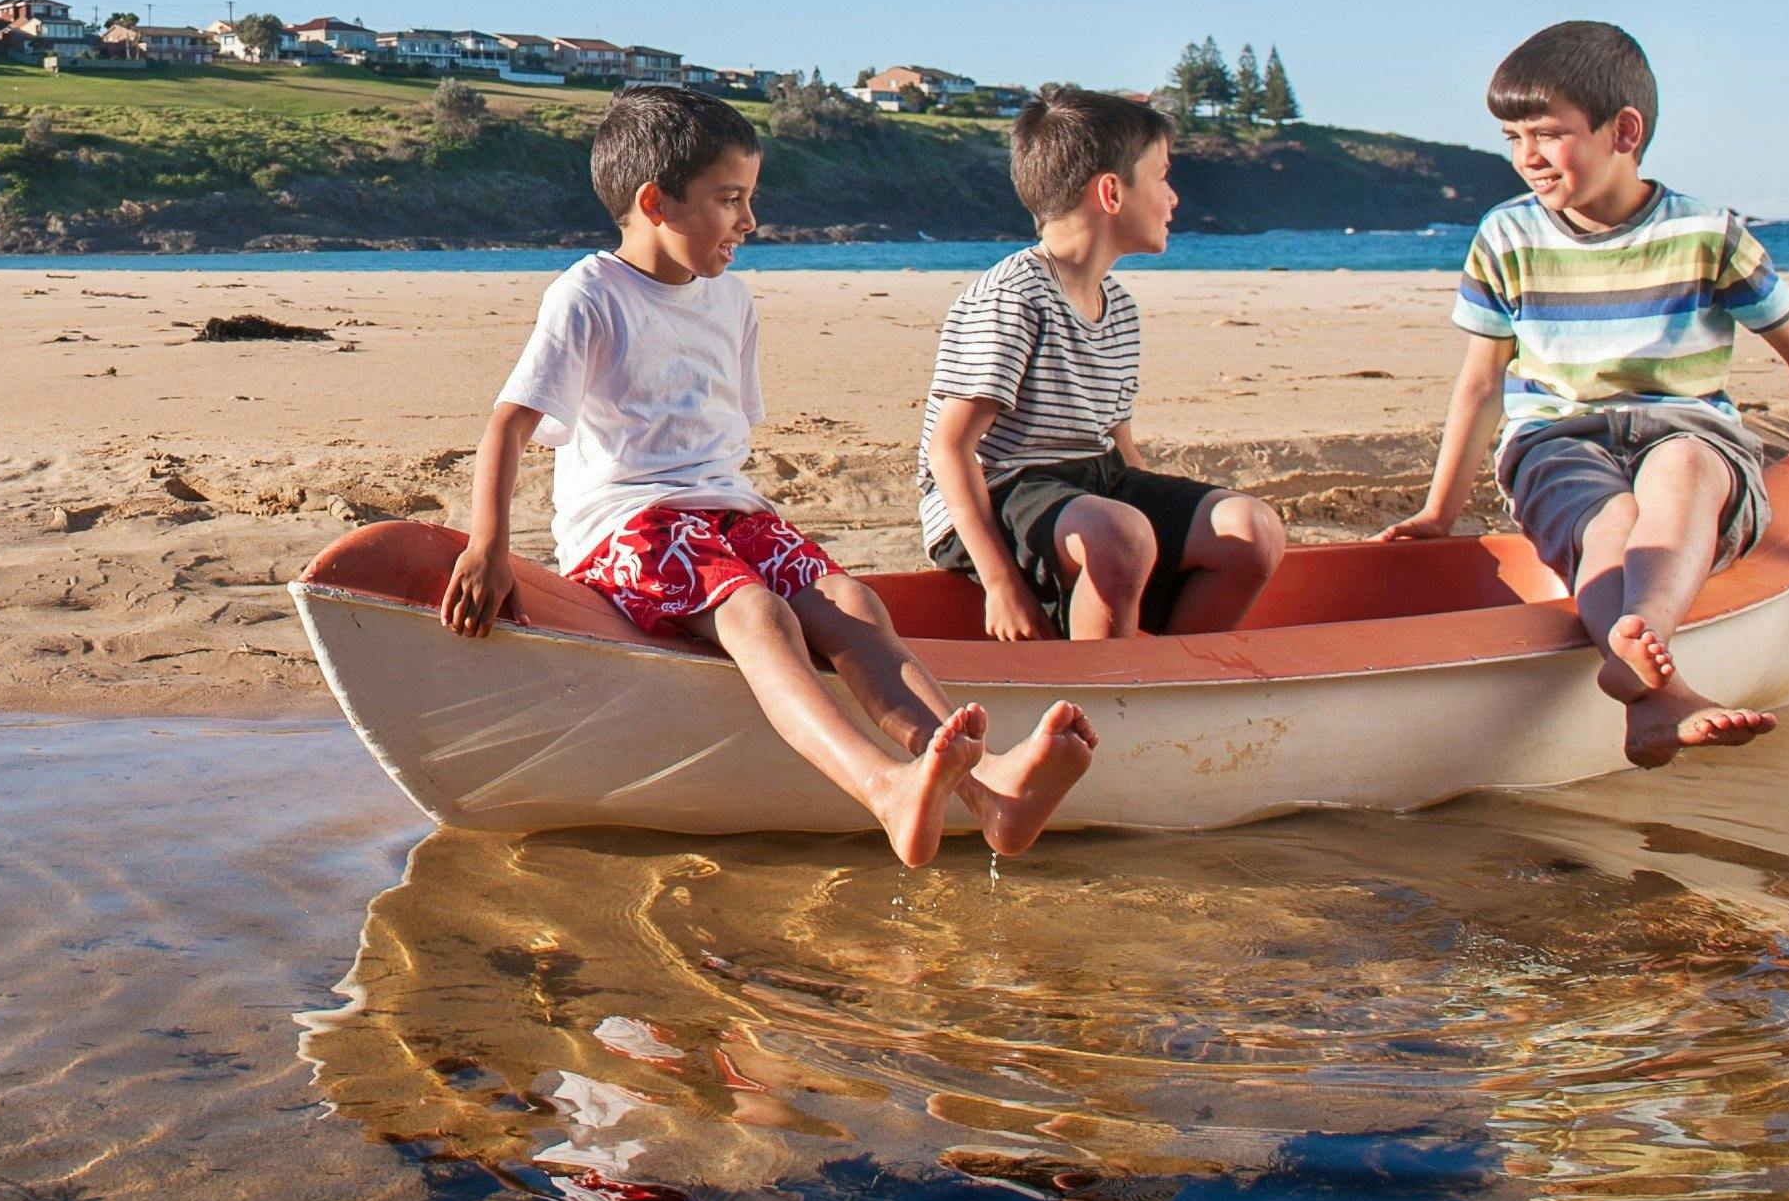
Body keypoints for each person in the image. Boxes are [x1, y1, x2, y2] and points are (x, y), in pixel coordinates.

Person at [437, 84, 1097, 863]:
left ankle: (991, 796)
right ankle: (882, 786)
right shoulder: (590, 294)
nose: (750, 221)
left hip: (728, 512)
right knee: (758, 616)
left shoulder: (732, 301)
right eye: (730, 199)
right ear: (655, 202)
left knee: (852, 604)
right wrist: (488, 546)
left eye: (750, 197)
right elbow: (508, 425)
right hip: (630, 525)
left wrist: (748, 535)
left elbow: (719, 444)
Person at [1384, 19, 1789, 765]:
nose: (1526, 157)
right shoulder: (1506, 237)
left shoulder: (1706, 233)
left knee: (1683, 470)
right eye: (1512, 137)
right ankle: (1657, 685)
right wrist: (1439, 513)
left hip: (1688, 432)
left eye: (1546, 133)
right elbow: (1481, 384)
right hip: (1555, 438)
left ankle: (1639, 650)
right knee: (1609, 521)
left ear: (1623, 130)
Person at [920, 85, 1290, 641]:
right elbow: (950, 448)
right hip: (999, 493)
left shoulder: (1118, 306)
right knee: (1119, 535)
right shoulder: (1014, 296)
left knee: (1253, 530)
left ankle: (1167, 677)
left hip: (1094, 484)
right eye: (1163, 176)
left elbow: (1117, 441)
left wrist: (1165, 528)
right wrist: (1000, 583)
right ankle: (1102, 701)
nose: (1174, 199)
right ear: (1112, 192)